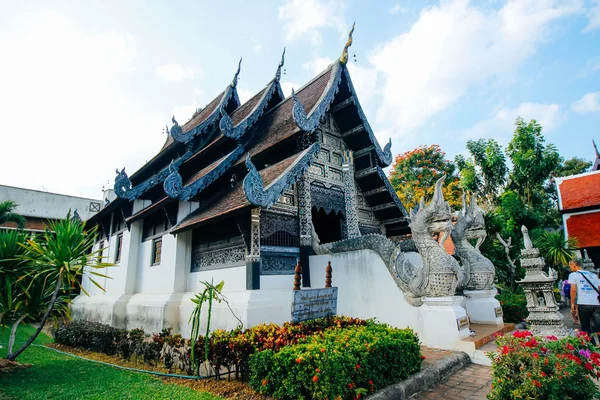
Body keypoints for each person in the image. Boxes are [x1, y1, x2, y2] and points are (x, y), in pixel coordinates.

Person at [569, 258, 600, 335]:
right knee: (599, 326)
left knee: (586, 327)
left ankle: (590, 345)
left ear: (574, 265)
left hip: (583, 303)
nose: (571, 269)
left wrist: (572, 303)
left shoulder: (573, 275)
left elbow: (573, 290)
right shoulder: (593, 275)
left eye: (570, 267)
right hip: (596, 303)